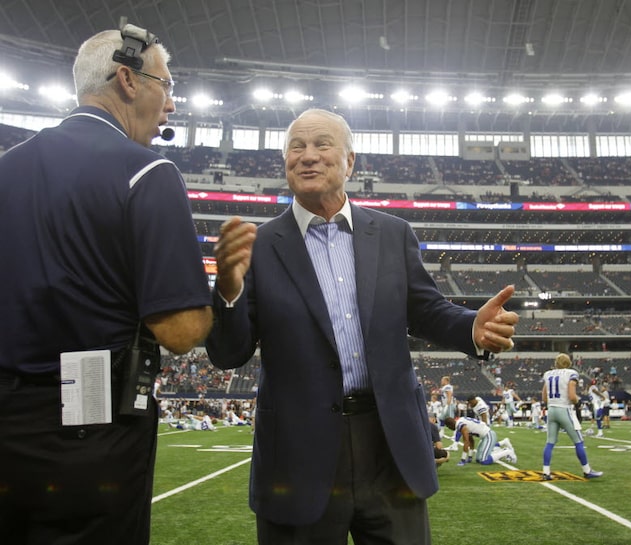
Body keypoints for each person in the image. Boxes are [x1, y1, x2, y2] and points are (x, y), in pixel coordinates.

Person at [205, 108, 519, 544]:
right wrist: (227, 291)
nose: (308, 156)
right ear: (285, 163)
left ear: (350, 162)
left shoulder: (393, 234)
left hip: (390, 447)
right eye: (297, 147)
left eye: (322, 145)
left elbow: (426, 310)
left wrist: (471, 329)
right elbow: (228, 352)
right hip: (299, 453)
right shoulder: (259, 248)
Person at [0, 24, 213, 545]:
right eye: (166, 85)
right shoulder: (148, 171)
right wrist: (224, 282)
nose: (172, 105)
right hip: (92, 429)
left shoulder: (6, 168)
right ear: (127, 78)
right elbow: (181, 331)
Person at [540, 354, 603, 480]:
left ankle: (546, 472)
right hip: (564, 409)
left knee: (550, 442)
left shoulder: (548, 374)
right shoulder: (571, 373)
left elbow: (544, 397)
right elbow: (572, 395)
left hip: (551, 410)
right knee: (578, 441)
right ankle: (587, 470)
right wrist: (578, 403)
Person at [443, 416, 516, 465]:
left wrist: (463, 459)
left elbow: (466, 442)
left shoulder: (460, 425)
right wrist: (470, 457)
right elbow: (471, 441)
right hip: (484, 437)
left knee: (484, 460)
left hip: (488, 435)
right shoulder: (461, 421)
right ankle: (501, 448)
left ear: (450, 425)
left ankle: (507, 452)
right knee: (478, 459)